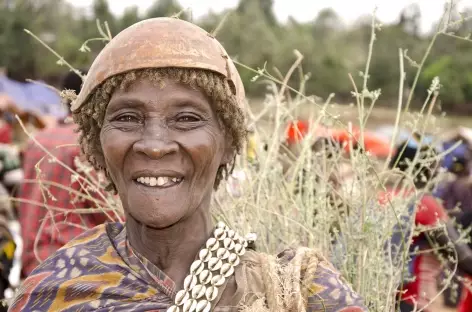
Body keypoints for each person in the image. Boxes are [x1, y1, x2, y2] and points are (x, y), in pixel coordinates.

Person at [9, 18, 367, 312]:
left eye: (187, 118)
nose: (154, 145)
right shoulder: (54, 291)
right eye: (128, 117)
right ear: (98, 146)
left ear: (228, 143)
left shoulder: (300, 293)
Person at [15, 70, 113, 278]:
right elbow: (109, 211)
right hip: (74, 268)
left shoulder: (36, 140)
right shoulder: (87, 144)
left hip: (33, 263)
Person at [381, 141, 472, 312]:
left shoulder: (380, 198)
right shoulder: (424, 204)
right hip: (412, 299)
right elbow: (460, 255)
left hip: (379, 293)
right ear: (429, 167)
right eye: (437, 165)